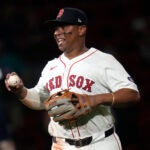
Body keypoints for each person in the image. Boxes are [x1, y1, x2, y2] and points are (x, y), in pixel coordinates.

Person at [5, 7, 140, 150]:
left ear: (81, 29)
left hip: (101, 142)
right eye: (56, 28)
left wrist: (94, 99)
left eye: (64, 26)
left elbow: (132, 94)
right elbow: (40, 100)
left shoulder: (103, 60)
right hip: (62, 145)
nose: (57, 32)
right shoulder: (51, 66)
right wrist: (20, 91)